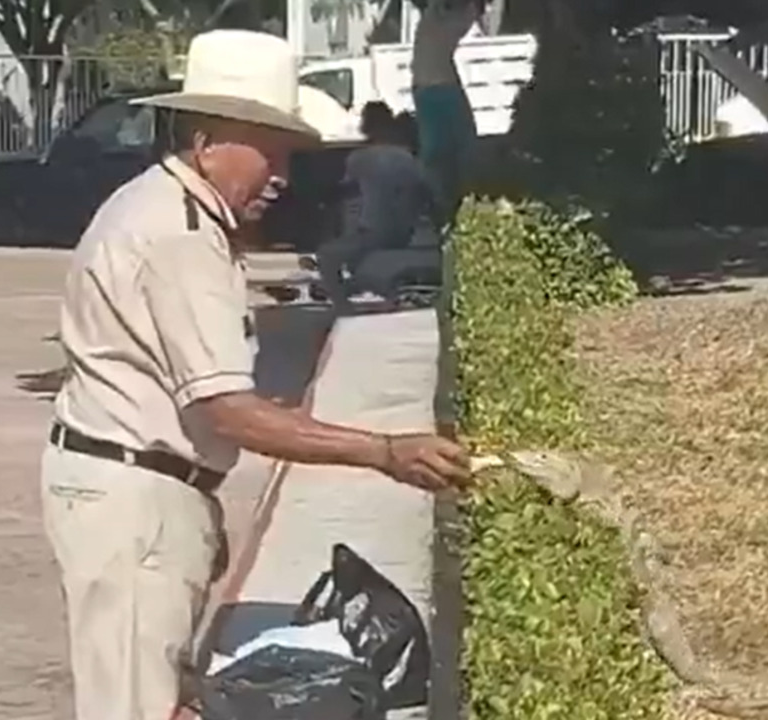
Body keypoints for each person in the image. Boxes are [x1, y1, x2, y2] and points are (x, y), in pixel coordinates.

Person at [40, 29, 470, 720]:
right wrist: (383, 452)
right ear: (207, 140)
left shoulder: (166, 208)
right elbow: (228, 410)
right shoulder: (179, 236)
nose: (282, 177)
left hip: (142, 490)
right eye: (269, 153)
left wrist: (197, 503)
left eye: (289, 157)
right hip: (134, 501)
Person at [316, 101, 442, 312]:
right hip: (406, 233)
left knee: (326, 256)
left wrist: (323, 196)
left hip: (373, 232)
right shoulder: (409, 158)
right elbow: (428, 194)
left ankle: (343, 307)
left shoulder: (360, 158)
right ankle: (356, 289)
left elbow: (345, 191)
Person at [410, 0, 484, 226]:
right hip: (439, 86)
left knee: (440, 147)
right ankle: (449, 200)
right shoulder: (449, 17)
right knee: (458, 143)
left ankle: (442, 200)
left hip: (430, 87)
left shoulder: (438, 16)